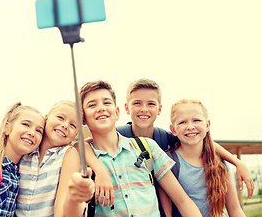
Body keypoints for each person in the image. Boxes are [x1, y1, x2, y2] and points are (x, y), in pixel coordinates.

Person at [80, 78, 254, 208]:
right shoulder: (119, 135)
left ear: (159, 109)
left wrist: (236, 162)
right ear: (126, 108)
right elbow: (84, 144)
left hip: (164, 203)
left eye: (151, 104)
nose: (144, 109)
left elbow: (202, 141)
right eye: (137, 103)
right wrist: (100, 169)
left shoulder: (164, 137)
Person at [74, 80, 202, 216]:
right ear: (83, 118)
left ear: (117, 112)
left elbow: (182, 201)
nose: (101, 108)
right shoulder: (80, 160)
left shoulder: (147, 147)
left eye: (107, 102)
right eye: (92, 105)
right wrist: (99, 169)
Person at [0, 100, 94, 217]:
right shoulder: (27, 150)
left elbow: (61, 204)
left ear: (76, 134)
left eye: (73, 125)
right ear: (46, 119)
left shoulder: (68, 154)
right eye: (60, 117)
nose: (65, 125)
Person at [159, 99, 245, 217]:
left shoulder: (220, 162)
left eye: (196, 120)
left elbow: (234, 210)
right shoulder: (168, 163)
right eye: (182, 122)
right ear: (173, 130)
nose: (190, 126)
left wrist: (238, 163)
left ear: (207, 125)